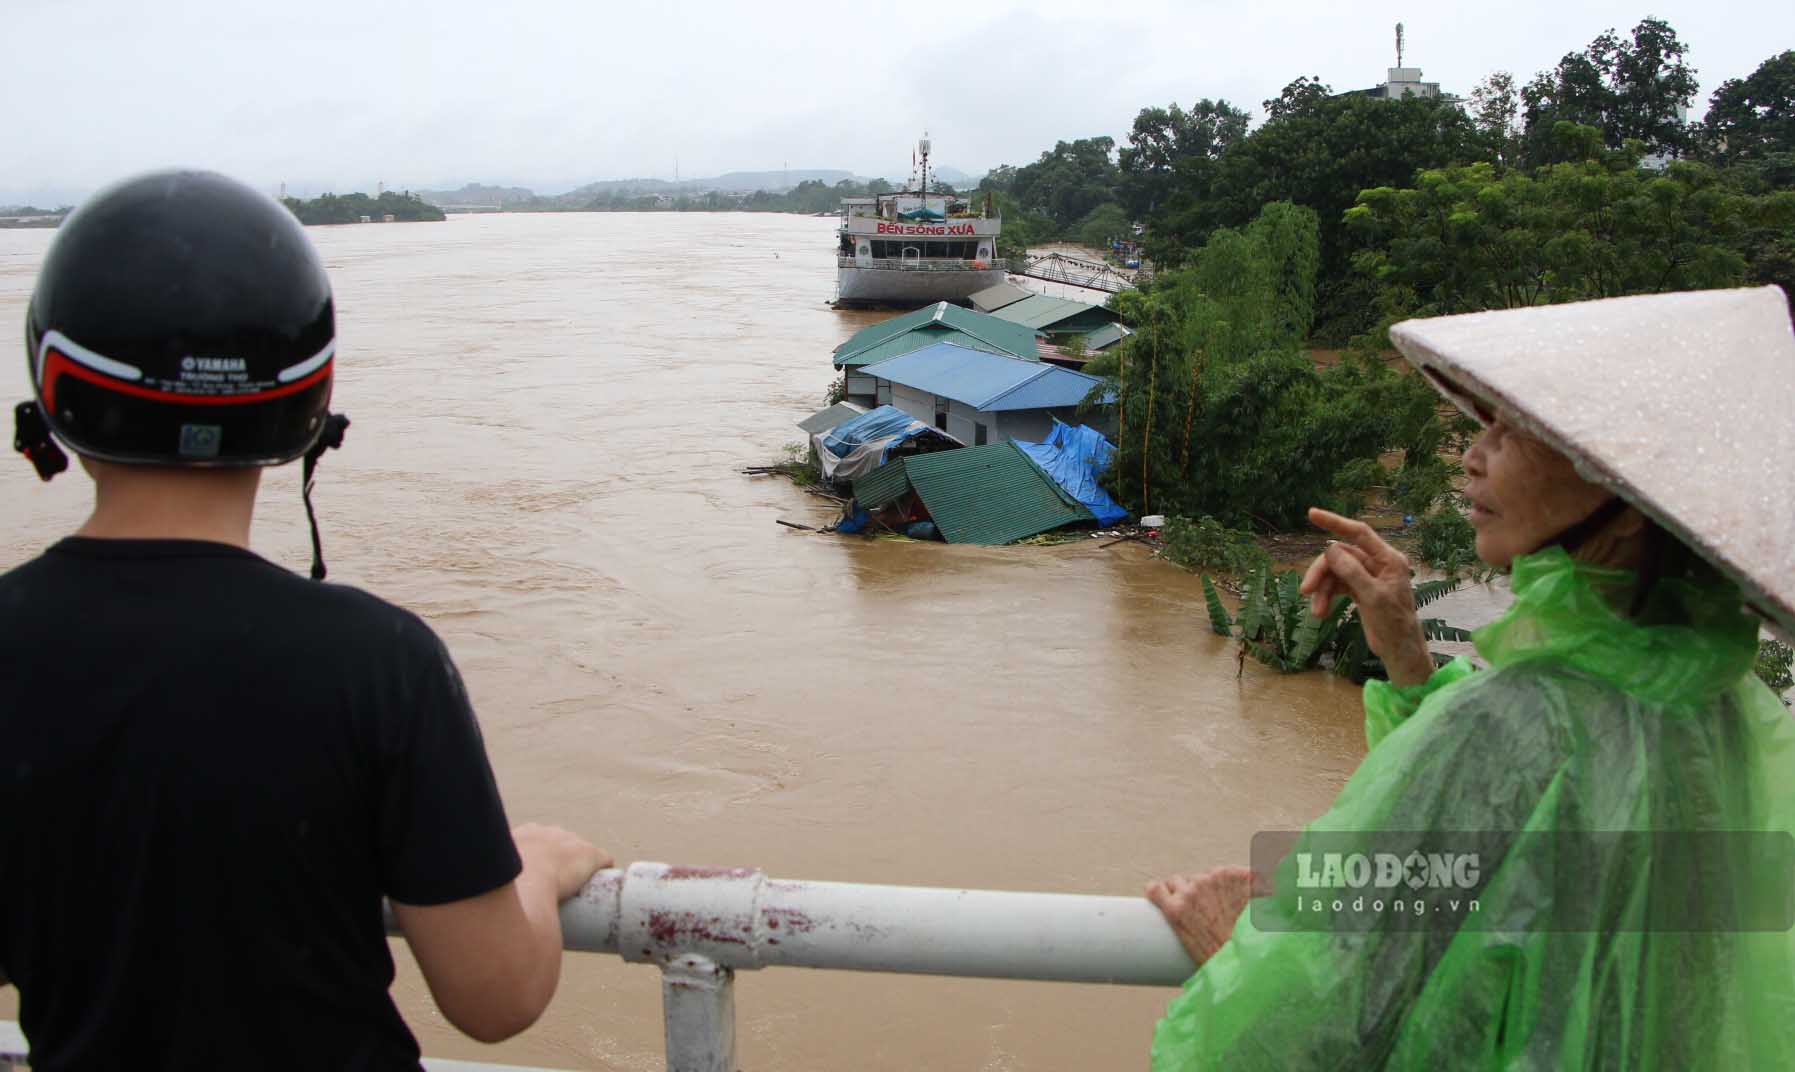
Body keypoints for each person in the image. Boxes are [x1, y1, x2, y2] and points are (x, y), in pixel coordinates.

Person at [0, 170, 610, 1069]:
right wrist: (537, 865)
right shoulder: (377, 660)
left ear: (55, 385)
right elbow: (496, 996)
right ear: (310, 397)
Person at [1146, 286, 1795, 1069]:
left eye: (1513, 432)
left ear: (1624, 503)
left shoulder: (1507, 721)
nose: (1471, 455)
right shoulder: (1720, 706)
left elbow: (1308, 1037)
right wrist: (1407, 660)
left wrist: (1227, 952)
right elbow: (1526, 844)